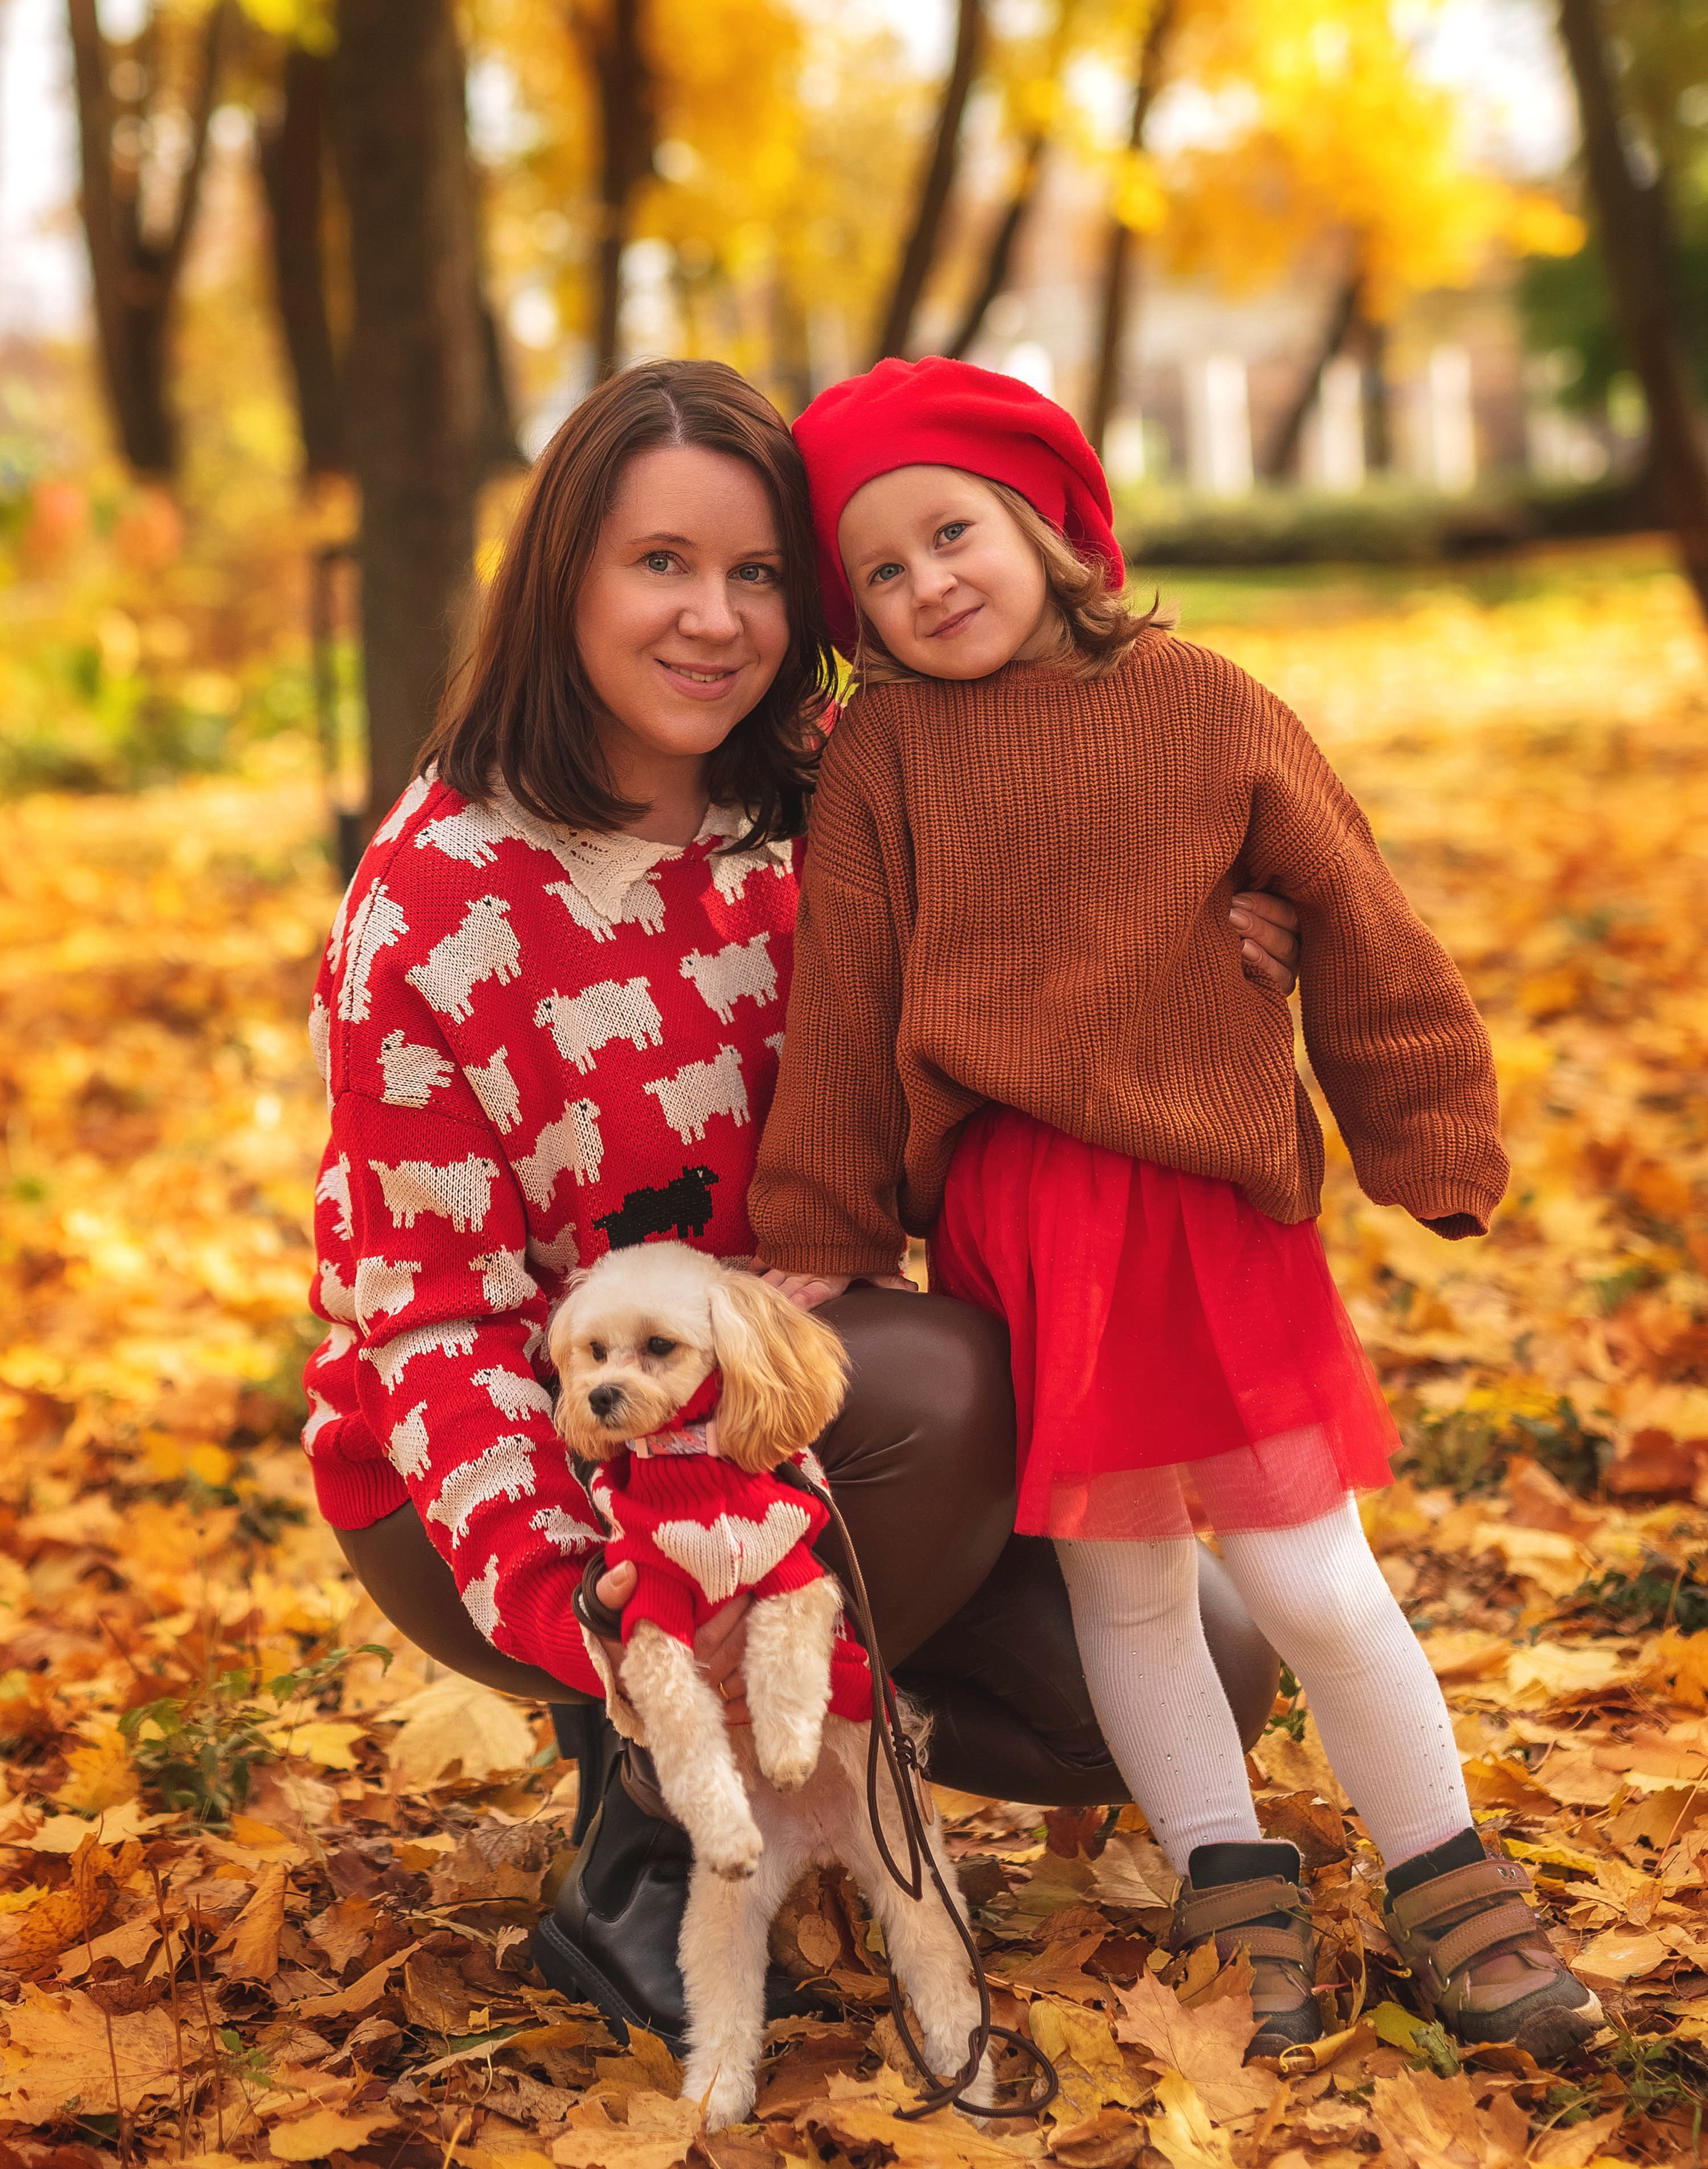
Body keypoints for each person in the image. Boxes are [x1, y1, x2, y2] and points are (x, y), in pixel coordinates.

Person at [301, 360, 1304, 2048]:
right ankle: (645, 1843)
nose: (714, 619)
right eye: (661, 565)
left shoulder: (832, 795)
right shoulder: (430, 900)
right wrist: (582, 1594)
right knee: (936, 1378)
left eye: (758, 573)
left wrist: (1206, 947)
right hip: (509, 1462)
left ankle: (787, 1729)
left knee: (1199, 1679)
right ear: (562, 578)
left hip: (792, 1433)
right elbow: (431, 1316)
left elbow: (1043, 951)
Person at [747, 353, 1600, 2065]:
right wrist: (825, 1230)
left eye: (951, 532)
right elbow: (841, 1001)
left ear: (1047, 521)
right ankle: (1229, 1886)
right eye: (881, 576)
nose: (928, 585)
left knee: (1309, 1575)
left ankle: (1444, 1870)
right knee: (1122, 1594)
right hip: (1023, 1225)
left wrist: (1422, 1122)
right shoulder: (881, 759)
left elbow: (1350, 909)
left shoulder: (1203, 702)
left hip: (1208, 1214)